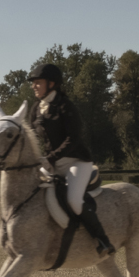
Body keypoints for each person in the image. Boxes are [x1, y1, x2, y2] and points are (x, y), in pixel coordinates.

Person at [26, 63, 115, 255]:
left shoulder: (66, 106)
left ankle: (102, 240)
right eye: (33, 83)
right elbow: (31, 136)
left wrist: (50, 158)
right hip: (51, 162)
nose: (33, 86)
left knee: (74, 201)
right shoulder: (36, 108)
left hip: (75, 161)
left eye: (37, 82)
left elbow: (73, 139)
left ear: (51, 83)